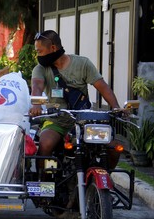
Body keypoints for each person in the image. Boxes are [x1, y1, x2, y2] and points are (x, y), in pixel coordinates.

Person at [29, 30, 121, 174]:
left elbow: (103, 87)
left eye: (40, 51)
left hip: (83, 121)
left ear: (53, 48)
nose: (38, 55)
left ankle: (103, 182)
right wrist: (36, 103)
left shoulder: (82, 63)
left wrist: (116, 107)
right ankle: (46, 183)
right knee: (46, 144)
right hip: (56, 120)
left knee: (113, 148)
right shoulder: (40, 69)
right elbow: (37, 86)